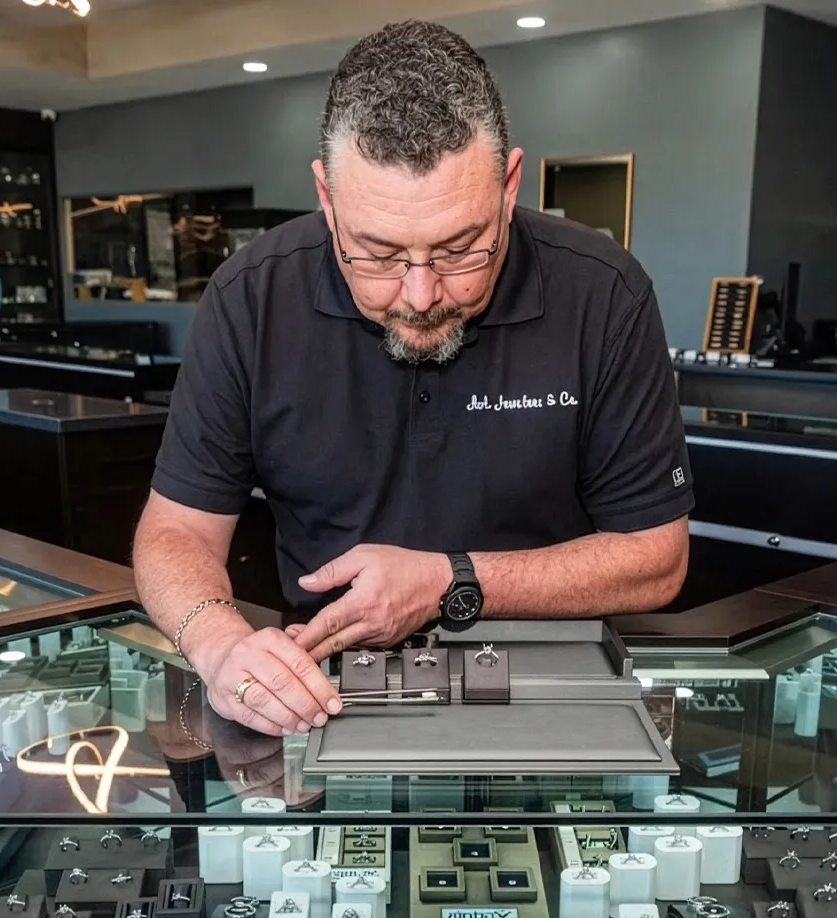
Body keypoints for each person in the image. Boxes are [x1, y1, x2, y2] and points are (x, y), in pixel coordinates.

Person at [133, 20, 694, 738]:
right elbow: (175, 529)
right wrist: (218, 644)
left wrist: (448, 582)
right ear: (326, 197)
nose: (420, 294)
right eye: (377, 253)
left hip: (550, 692)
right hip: (320, 699)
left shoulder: (605, 293)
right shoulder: (249, 297)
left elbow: (657, 558)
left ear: (509, 184)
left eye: (461, 248)